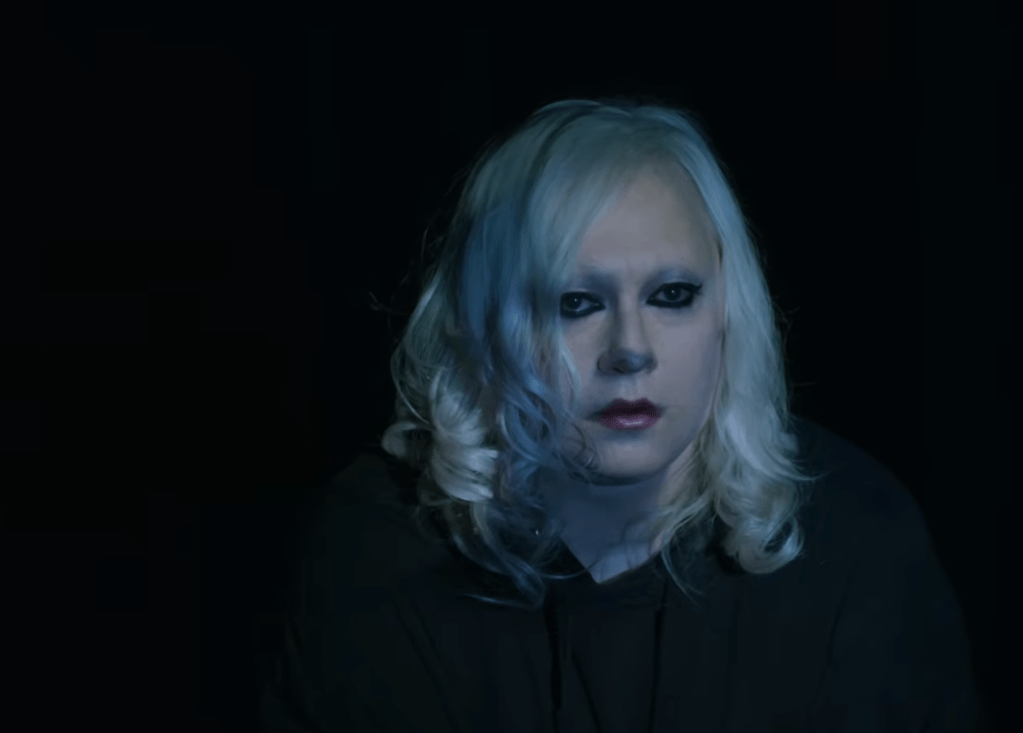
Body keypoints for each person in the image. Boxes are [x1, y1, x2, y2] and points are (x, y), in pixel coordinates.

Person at [257, 97, 981, 731]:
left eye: (672, 295)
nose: (630, 349)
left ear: (728, 310)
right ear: (479, 326)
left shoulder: (853, 532)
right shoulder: (377, 547)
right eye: (575, 303)